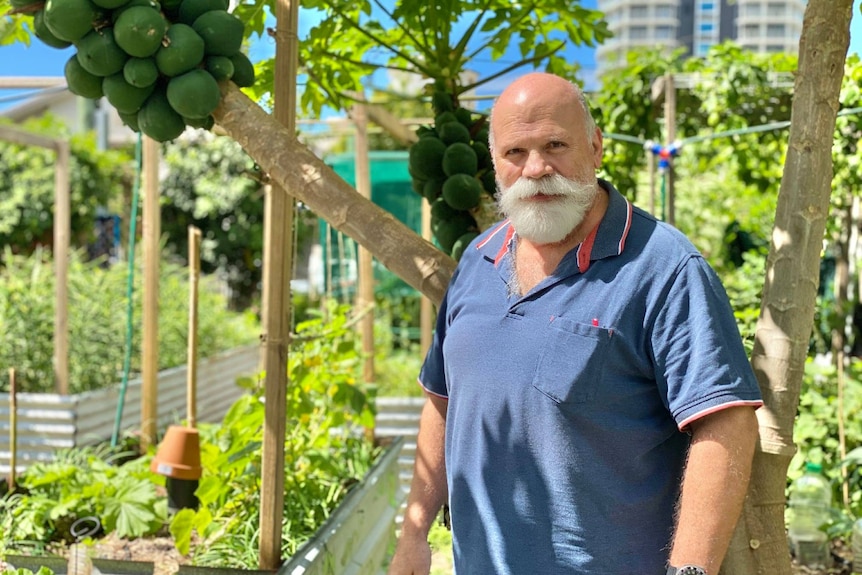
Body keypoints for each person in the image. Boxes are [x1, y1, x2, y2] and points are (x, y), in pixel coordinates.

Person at [387, 72, 763, 575]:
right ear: (494, 164)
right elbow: (442, 398)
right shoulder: (477, 263)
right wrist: (413, 535)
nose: (536, 169)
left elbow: (725, 421)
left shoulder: (663, 267)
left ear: (596, 147)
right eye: (515, 153)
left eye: (555, 145)